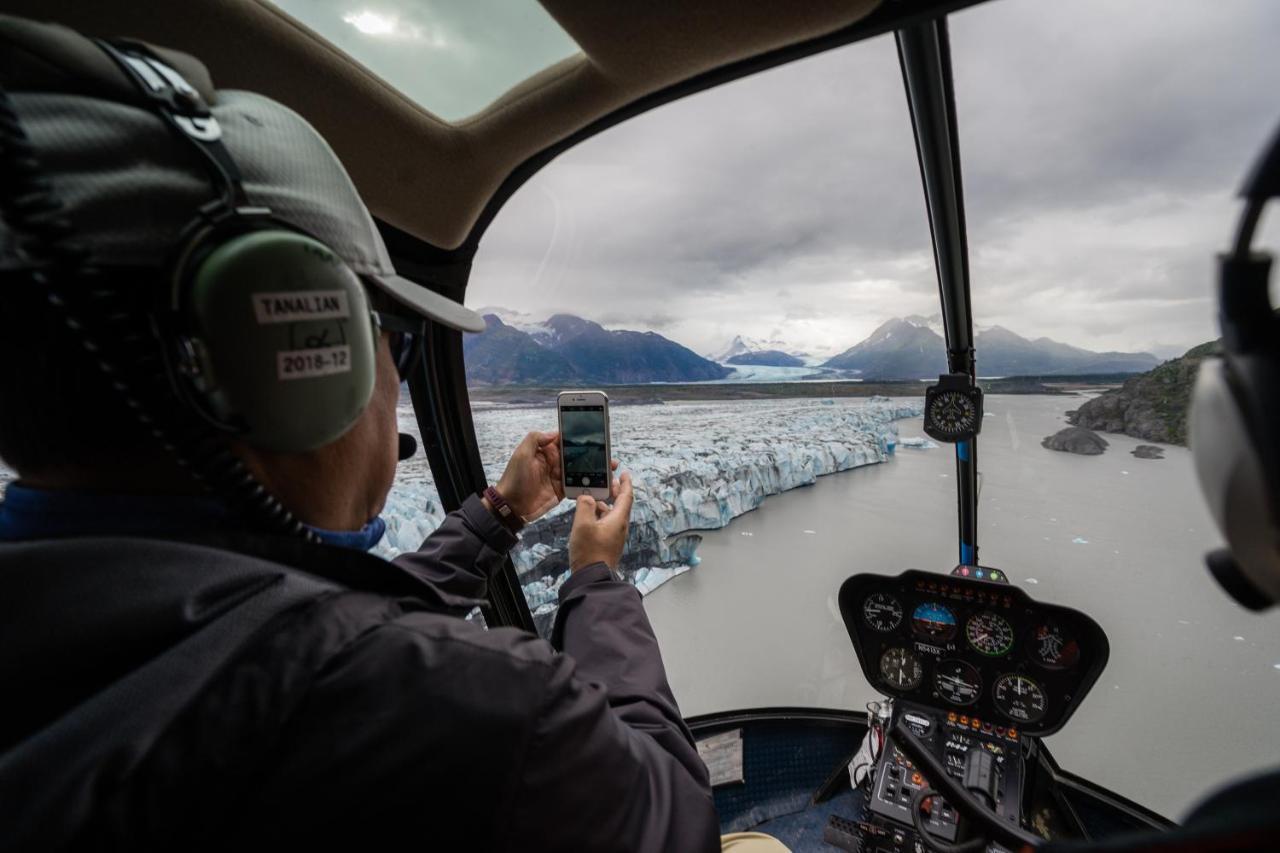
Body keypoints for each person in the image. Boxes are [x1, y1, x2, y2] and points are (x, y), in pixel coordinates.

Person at [0, 15, 754, 851]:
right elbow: (678, 822)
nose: (396, 379)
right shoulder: (470, 714)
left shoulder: (87, 626)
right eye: (391, 338)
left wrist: (500, 514)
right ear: (302, 360)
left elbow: (308, 617)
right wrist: (598, 581)